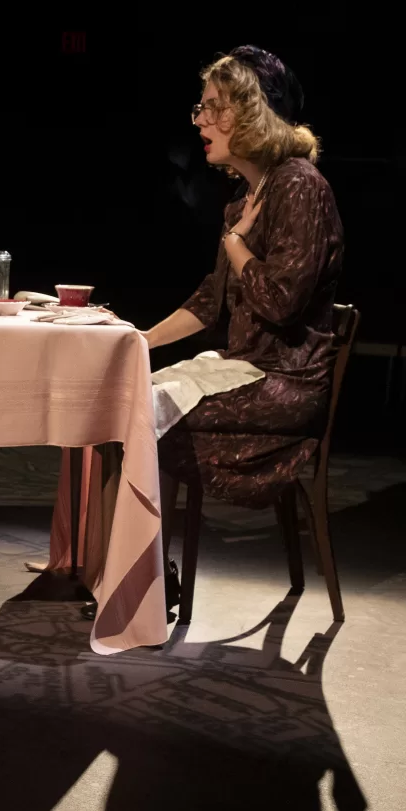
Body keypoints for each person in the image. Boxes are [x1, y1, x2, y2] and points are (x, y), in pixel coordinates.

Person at [142, 47, 346, 512]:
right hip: (244, 371)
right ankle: (86, 562)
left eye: (214, 107)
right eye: (201, 107)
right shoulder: (245, 199)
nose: (200, 121)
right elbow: (213, 298)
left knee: (130, 414)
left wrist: (236, 245)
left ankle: (135, 576)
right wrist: (141, 341)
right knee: (115, 398)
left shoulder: (299, 186)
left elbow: (281, 303)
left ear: (253, 113)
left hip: (283, 383)